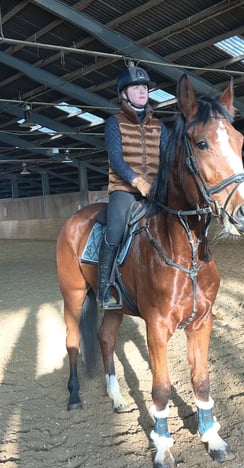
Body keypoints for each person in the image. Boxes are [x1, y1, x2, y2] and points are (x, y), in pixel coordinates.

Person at [98, 65, 168, 308]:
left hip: (156, 190)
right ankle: (104, 285)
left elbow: (167, 156)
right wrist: (138, 182)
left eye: (145, 88)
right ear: (124, 94)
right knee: (115, 229)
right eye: (136, 87)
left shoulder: (159, 125)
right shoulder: (114, 123)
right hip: (125, 189)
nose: (142, 91)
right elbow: (116, 159)